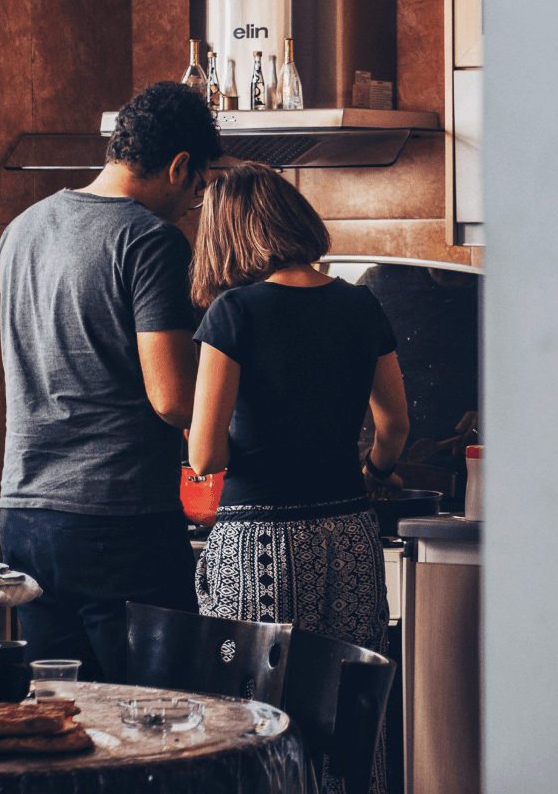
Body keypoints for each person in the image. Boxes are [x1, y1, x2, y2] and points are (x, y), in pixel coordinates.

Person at [187, 162, 406, 792]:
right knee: (349, 718)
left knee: (254, 720)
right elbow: (394, 425)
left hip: (259, 544)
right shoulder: (361, 303)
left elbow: (205, 455)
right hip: (348, 536)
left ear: (228, 234)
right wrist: (371, 473)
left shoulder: (234, 313)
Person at [0, 81, 222, 683]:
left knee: (66, 721)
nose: (191, 204)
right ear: (180, 167)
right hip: (115, 521)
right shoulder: (151, 241)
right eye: (198, 189)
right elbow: (173, 399)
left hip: (24, 515)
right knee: (163, 723)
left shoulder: (21, 230)